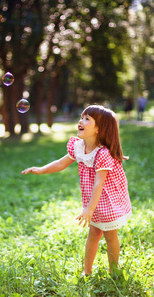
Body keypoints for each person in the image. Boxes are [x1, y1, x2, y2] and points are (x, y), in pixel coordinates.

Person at [22, 105, 132, 275]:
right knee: (94, 233)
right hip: (93, 201)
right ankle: (86, 272)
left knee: (110, 236)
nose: (81, 121)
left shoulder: (102, 154)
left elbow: (99, 184)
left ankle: (114, 273)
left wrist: (89, 209)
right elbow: (60, 163)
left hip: (108, 200)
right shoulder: (79, 146)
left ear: (99, 129)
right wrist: (40, 169)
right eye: (82, 117)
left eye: (88, 119)